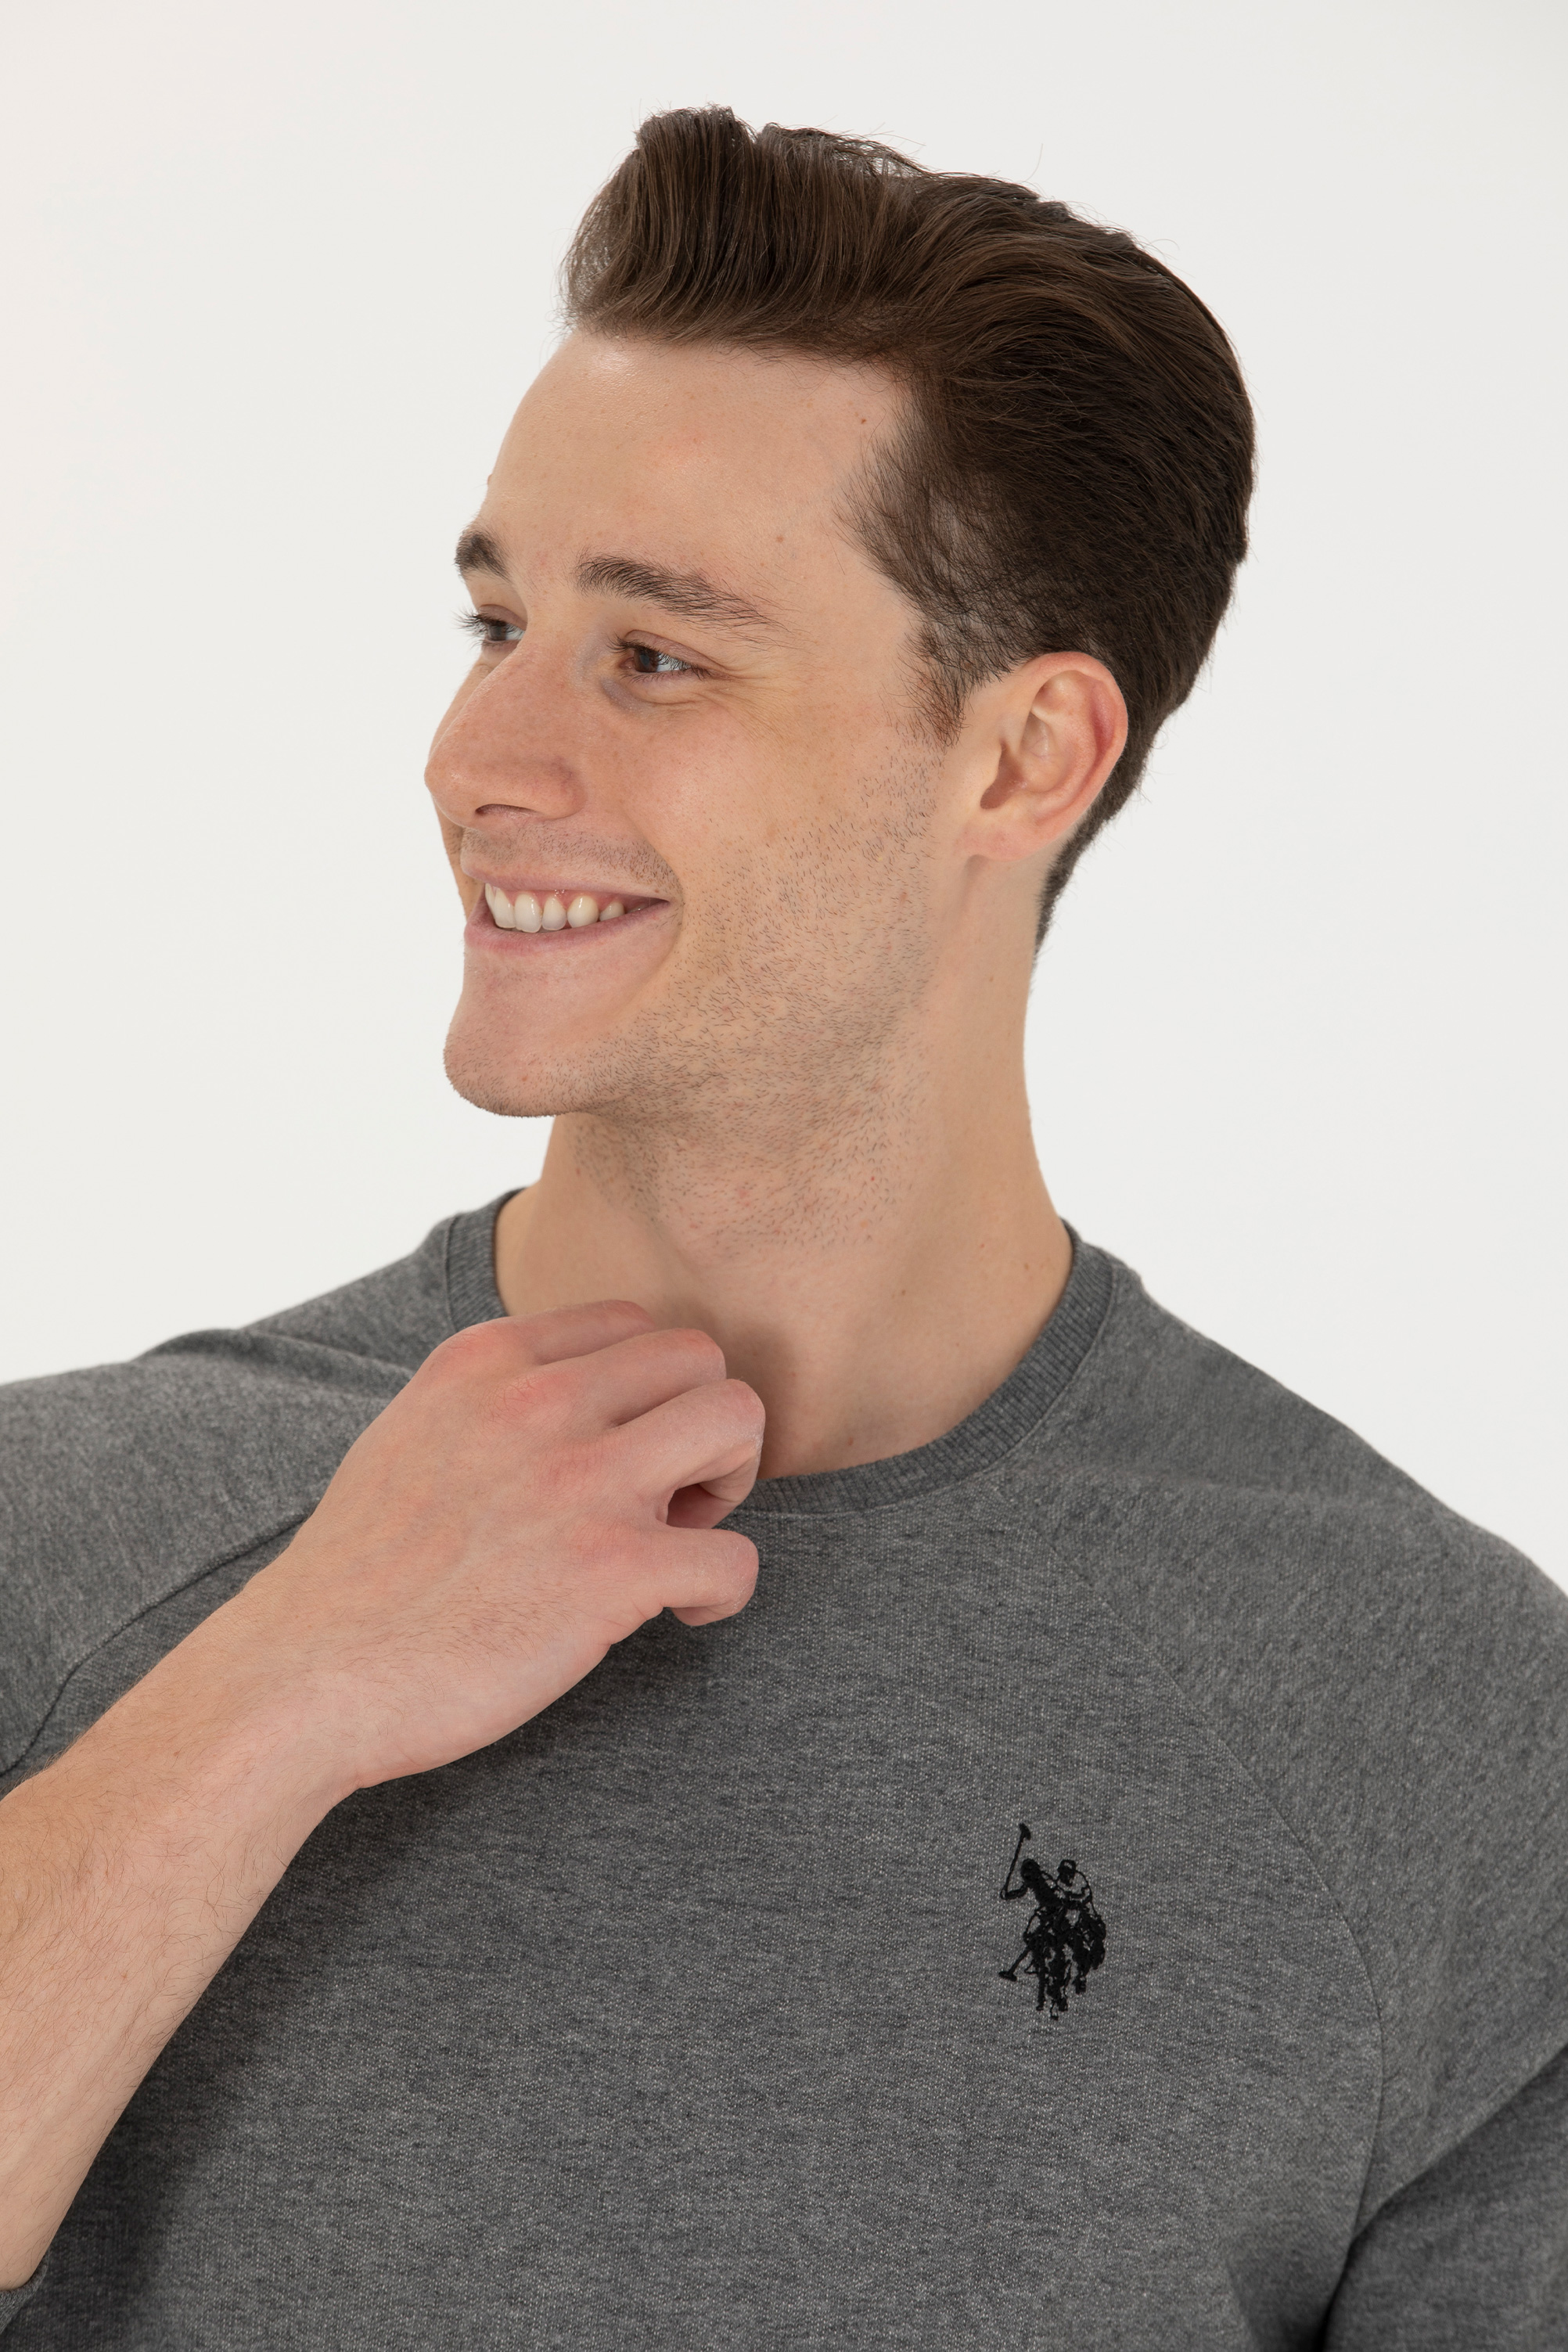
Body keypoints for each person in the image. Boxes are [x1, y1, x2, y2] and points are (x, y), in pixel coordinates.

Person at [1, 106, 1563, 2350]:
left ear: (1023, 758)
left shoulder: (1445, 1725)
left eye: (653, 656)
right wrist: (273, 1696)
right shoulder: (64, 1552)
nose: (476, 749)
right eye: (495, 619)